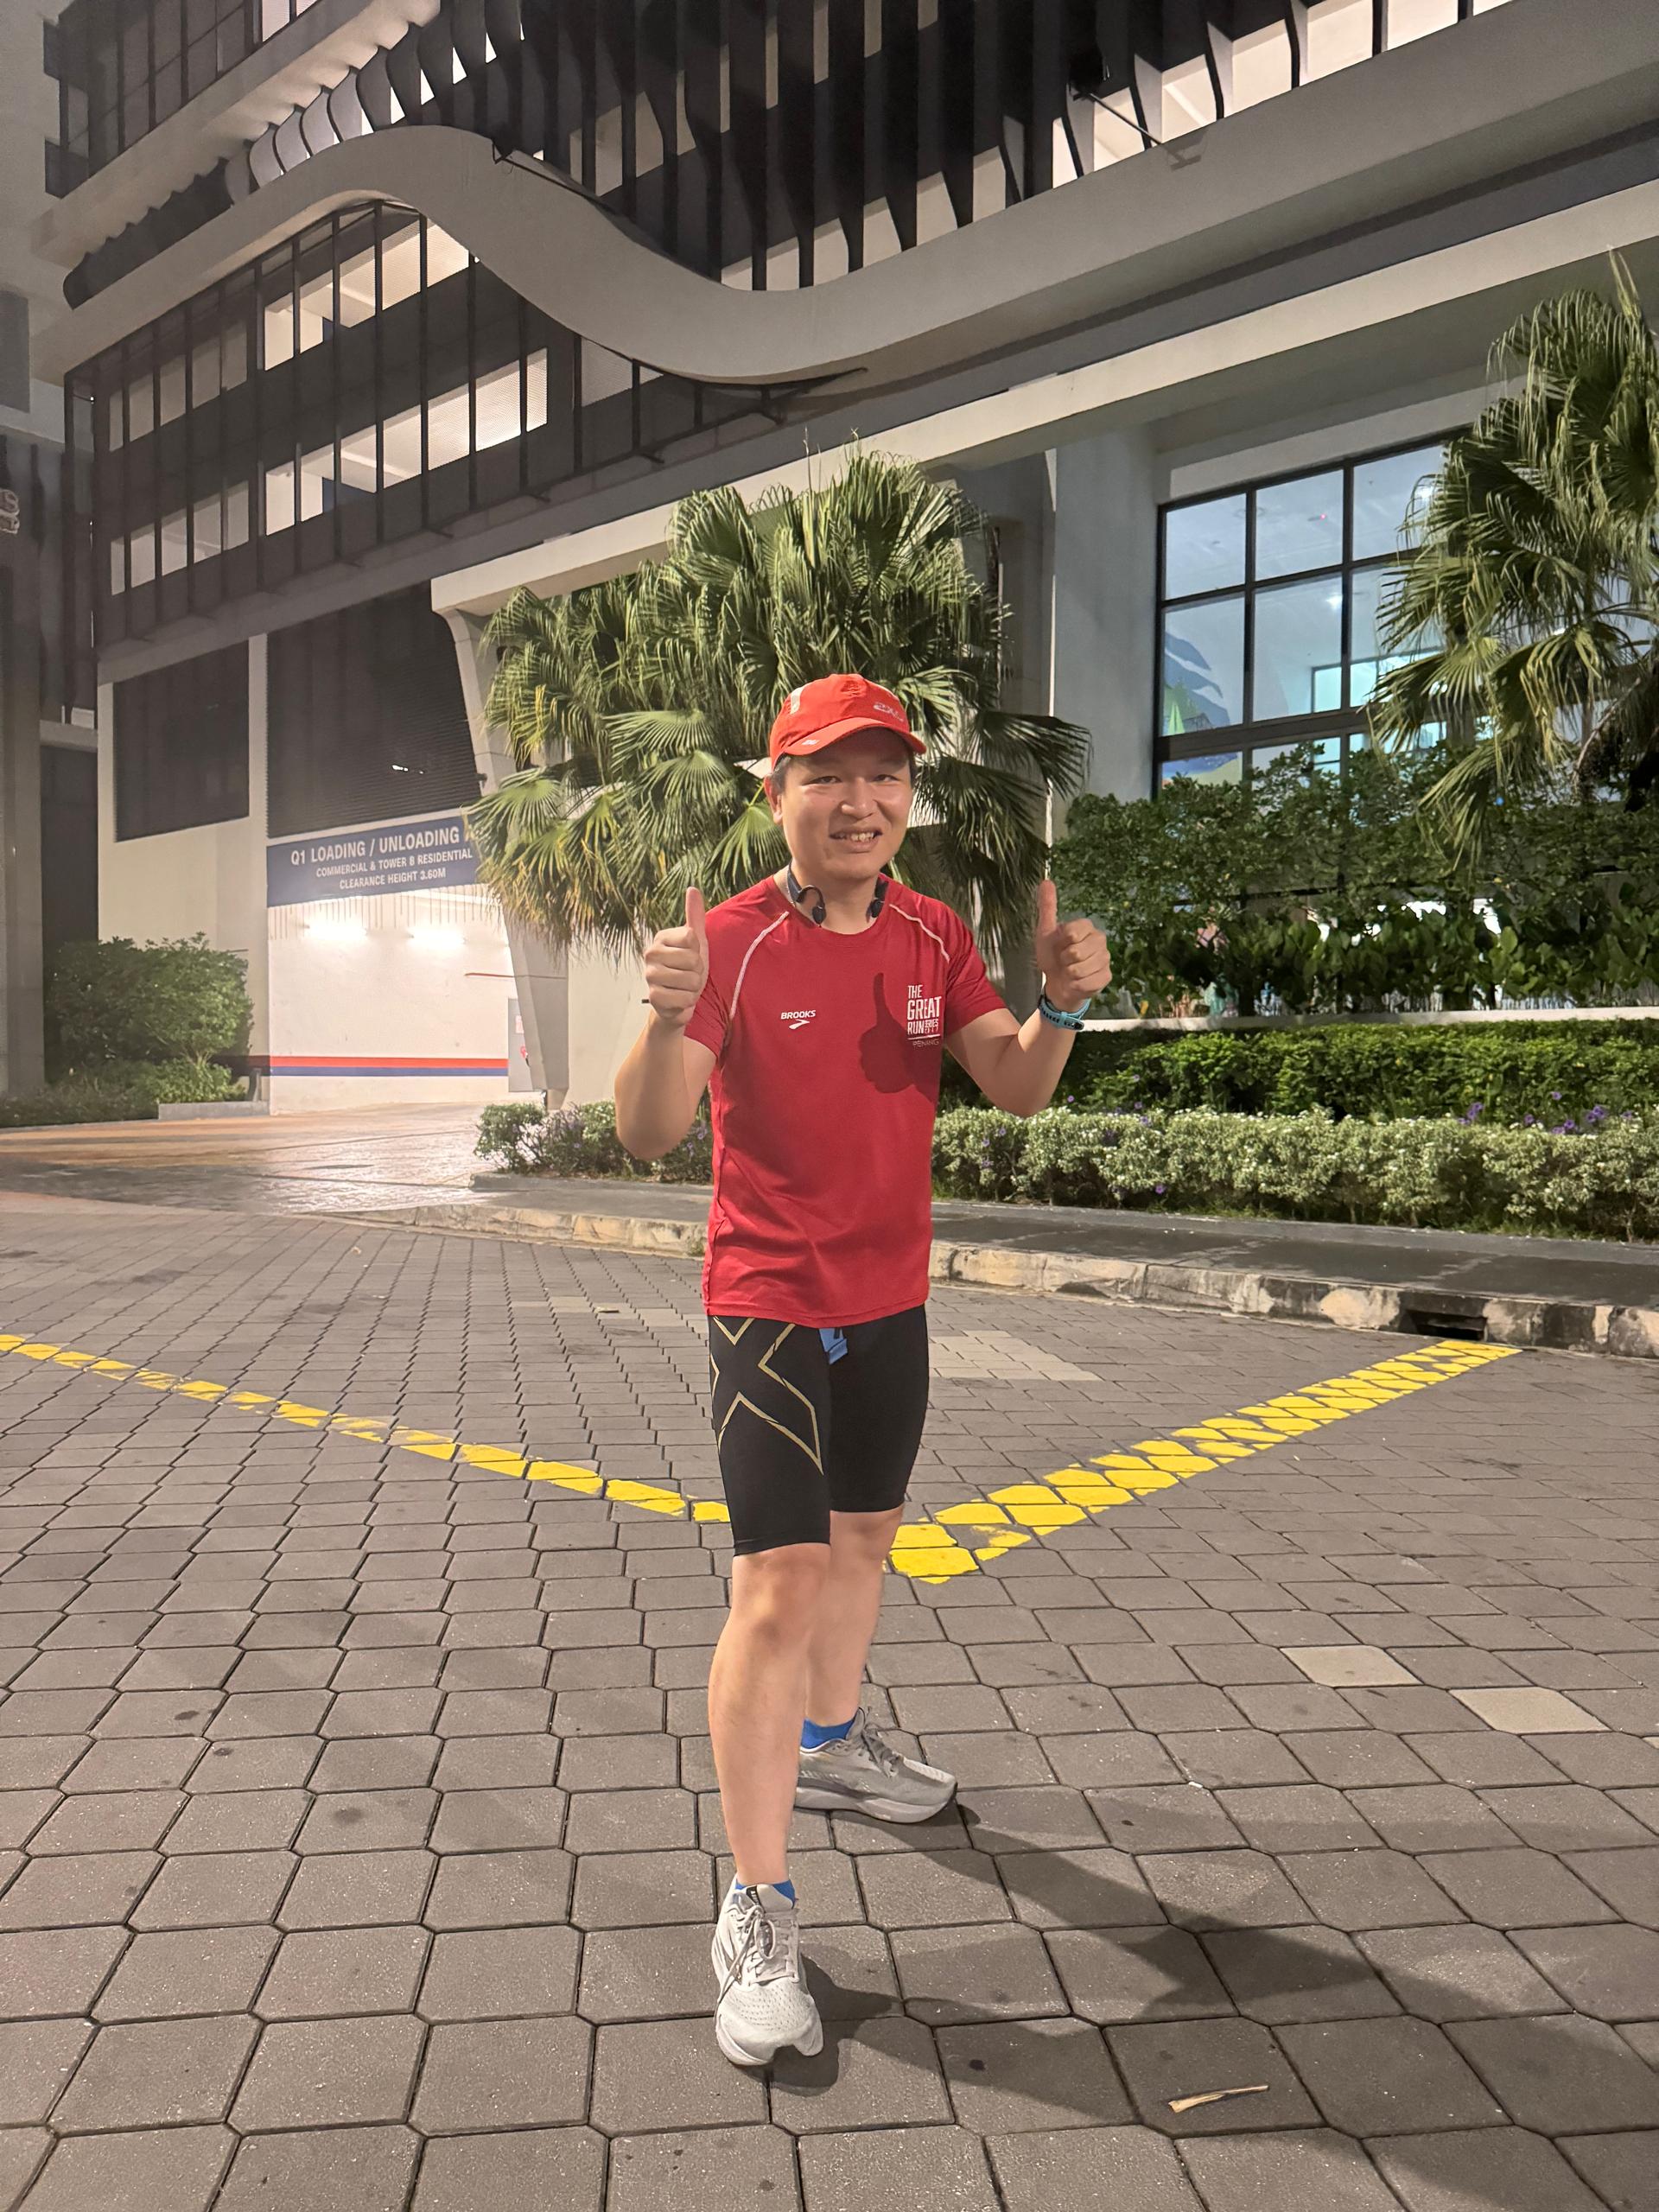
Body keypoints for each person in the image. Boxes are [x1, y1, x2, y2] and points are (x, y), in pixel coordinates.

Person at [613, 673, 1112, 2067]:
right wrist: (662, 1015)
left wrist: (1062, 1005)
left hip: (892, 1302)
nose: (861, 801)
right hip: (770, 1304)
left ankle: (833, 1746)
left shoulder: (932, 931)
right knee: (777, 1585)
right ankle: (759, 1909)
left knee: (864, 1546)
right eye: (828, 775)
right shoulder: (730, 940)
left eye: (885, 774)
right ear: (777, 794)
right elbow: (648, 1132)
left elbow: (1015, 1083)